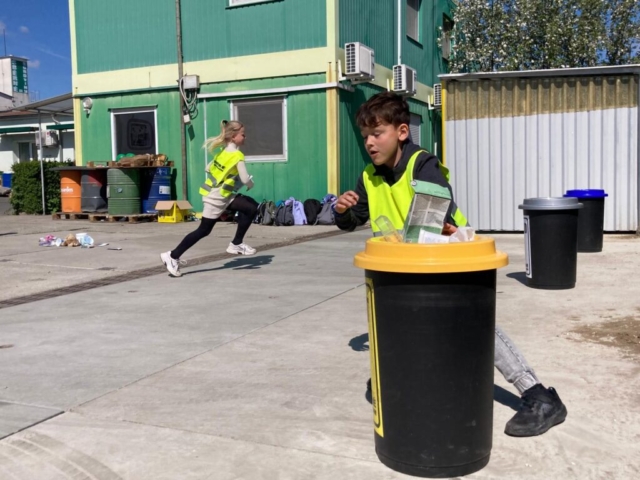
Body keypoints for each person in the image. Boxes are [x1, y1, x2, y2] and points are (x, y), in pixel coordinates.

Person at [333, 91, 567, 437]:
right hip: (405, 264)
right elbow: (355, 220)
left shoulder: (422, 164)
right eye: (365, 135)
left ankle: (539, 396)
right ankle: (398, 378)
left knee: (475, 325)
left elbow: (433, 213)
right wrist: (343, 211)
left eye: (377, 133)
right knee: (404, 326)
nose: (369, 142)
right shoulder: (369, 176)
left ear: (401, 132)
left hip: (453, 257)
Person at [161, 120, 259, 277]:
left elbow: (208, 168)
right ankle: (172, 256)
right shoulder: (237, 156)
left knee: (251, 207)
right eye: (243, 134)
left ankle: (236, 243)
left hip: (222, 195)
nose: (245, 137)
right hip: (217, 198)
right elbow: (245, 179)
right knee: (203, 230)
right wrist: (250, 184)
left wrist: (226, 178)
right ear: (233, 137)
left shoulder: (223, 152)